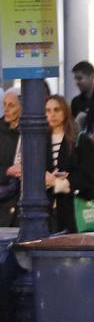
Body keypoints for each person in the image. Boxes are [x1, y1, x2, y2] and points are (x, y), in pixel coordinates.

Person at [35, 95, 94, 233]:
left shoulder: (81, 140)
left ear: (65, 112)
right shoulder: (39, 141)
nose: (52, 114)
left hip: (74, 209)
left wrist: (58, 183)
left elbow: (88, 176)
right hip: (47, 211)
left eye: (56, 110)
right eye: (47, 110)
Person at [1, 87, 21, 226]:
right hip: (4, 202)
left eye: (11, 105)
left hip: (23, 202)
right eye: (4, 104)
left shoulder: (32, 131)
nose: (6, 109)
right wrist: (7, 171)